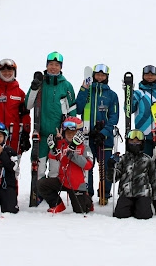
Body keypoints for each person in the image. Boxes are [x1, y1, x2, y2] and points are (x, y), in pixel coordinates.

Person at [25, 52, 76, 180]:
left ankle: (51, 192)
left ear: (61, 67)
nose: (53, 67)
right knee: (39, 167)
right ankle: (39, 191)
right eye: (51, 64)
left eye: (57, 65)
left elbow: (72, 110)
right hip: (41, 133)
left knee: (55, 167)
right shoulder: (40, 83)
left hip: (58, 135)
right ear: (47, 65)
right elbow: (28, 105)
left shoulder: (66, 85)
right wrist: (34, 87)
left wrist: (69, 132)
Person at [75, 63, 119, 206]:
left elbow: (114, 117)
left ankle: (104, 194)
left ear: (107, 77)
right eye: (97, 75)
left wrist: (104, 132)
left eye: (103, 75)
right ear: (93, 76)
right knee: (88, 165)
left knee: (105, 166)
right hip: (88, 135)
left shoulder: (111, 95)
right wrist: (83, 89)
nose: (100, 77)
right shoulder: (88, 92)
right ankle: (88, 193)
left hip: (104, 137)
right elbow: (79, 108)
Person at [37, 117, 94, 214]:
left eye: (73, 133)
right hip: (62, 180)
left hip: (76, 184)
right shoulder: (61, 143)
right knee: (41, 184)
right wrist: (53, 147)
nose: (70, 135)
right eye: (68, 133)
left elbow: (89, 165)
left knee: (80, 211)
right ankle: (57, 204)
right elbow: (53, 156)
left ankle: (87, 201)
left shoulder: (84, 146)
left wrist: (73, 156)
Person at [107, 130, 156, 219]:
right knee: (120, 215)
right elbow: (113, 178)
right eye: (132, 141)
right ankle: (130, 207)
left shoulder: (148, 160)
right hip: (126, 193)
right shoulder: (123, 159)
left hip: (142, 193)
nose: (135, 144)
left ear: (142, 143)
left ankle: (139, 207)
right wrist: (110, 167)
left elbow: (154, 180)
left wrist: (155, 202)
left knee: (144, 216)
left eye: (138, 142)